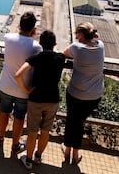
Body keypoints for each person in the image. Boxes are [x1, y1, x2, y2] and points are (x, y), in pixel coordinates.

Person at [15, 30, 65, 170]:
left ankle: (28, 160)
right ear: (55, 44)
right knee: (45, 131)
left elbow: (18, 75)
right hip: (53, 99)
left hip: (36, 98)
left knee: (32, 132)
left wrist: (26, 90)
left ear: (40, 43)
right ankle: (38, 156)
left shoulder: (35, 58)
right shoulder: (60, 58)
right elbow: (61, 53)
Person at [0, 11, 42, 154]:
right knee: (19, 117)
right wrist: (32, 37)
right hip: (24, 89)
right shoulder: (36, 47)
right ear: (33, 29)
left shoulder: (8, 38)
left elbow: (17, 39)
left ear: (20, 25)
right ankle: (15, 145)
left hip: (5, 85)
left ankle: (1, 137)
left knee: (3, 112)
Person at [62, 22, 104, 165]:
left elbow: (64, 53)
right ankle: (75, 152)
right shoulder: (100, 46)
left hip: (76, 93)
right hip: (94, 96)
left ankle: (67, 150)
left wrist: (77, 41)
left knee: (72, 120)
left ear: (80, 34)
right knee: (79, 122)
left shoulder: (76, 47)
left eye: (76, 34)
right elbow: (96, 37)